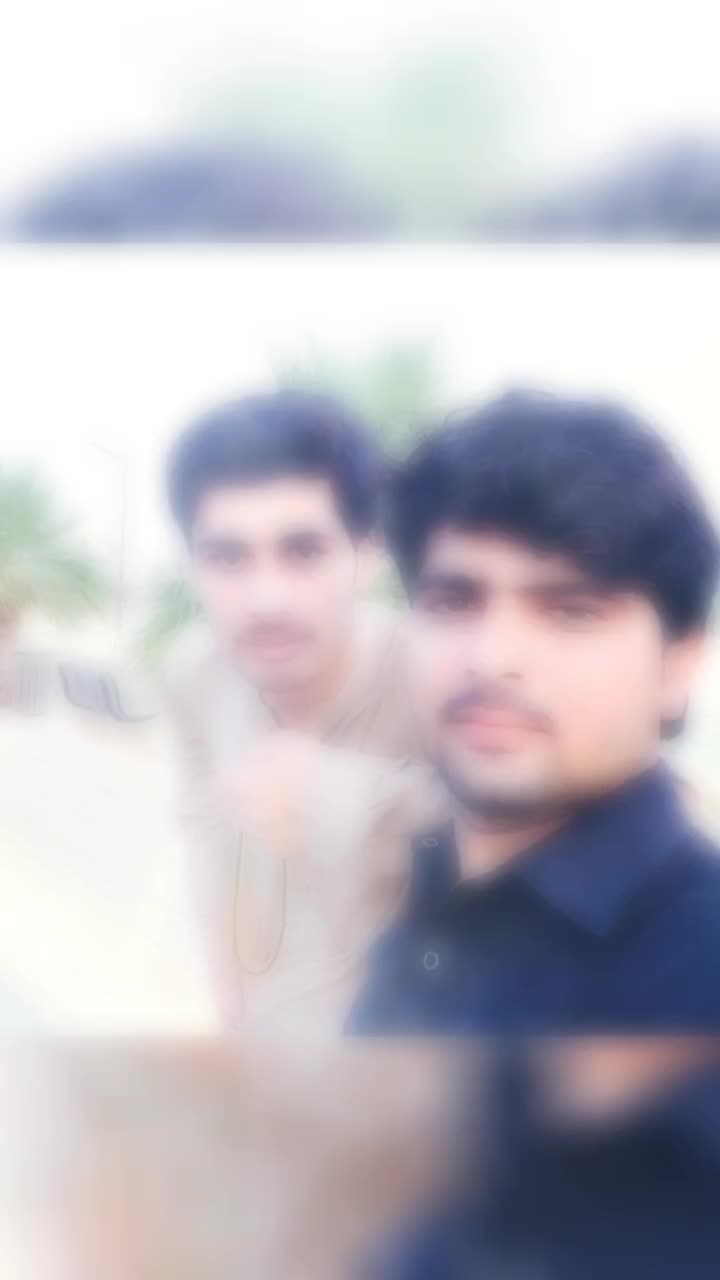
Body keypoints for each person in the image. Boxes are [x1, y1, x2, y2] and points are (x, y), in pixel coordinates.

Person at [348, 389, 720, 1033]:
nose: (491, 659)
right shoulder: (423, 891)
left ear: (677, 666)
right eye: (453, 601)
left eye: (571, 612)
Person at [164, 389, 431, 1031]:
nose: (267, 599)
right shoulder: (197, 675)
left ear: (369, 555)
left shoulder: (440, 683)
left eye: (304, 551)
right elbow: (215, 868)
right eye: (228, 557)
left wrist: (346, 801)